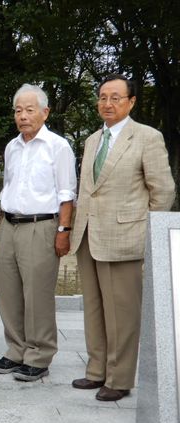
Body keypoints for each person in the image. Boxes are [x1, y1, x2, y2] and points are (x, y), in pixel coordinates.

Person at [70, 74, 175, 401]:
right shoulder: (91, 141)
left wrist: (144, 230)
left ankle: (119, 378)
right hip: (88, 235)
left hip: (124, 237)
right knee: (94, 308)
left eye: (116, 97)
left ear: (131, 102)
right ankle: (96, 370)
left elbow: (164, 190)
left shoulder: (146, 137)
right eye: (103, 97)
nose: (108, 103)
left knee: (123, 313)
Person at [0, 84, 77, 382]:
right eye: (18, 110)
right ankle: (16, 349)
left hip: (42, 226)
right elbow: (11, 186)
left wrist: (63, 230)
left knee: (37, 294)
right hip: (11, 226)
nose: (23, 116)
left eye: (29, 110)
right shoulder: (13, 147)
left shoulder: (57, 146)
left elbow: (67, 194)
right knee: (8, 291)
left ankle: (39, 355)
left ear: (45, 112)